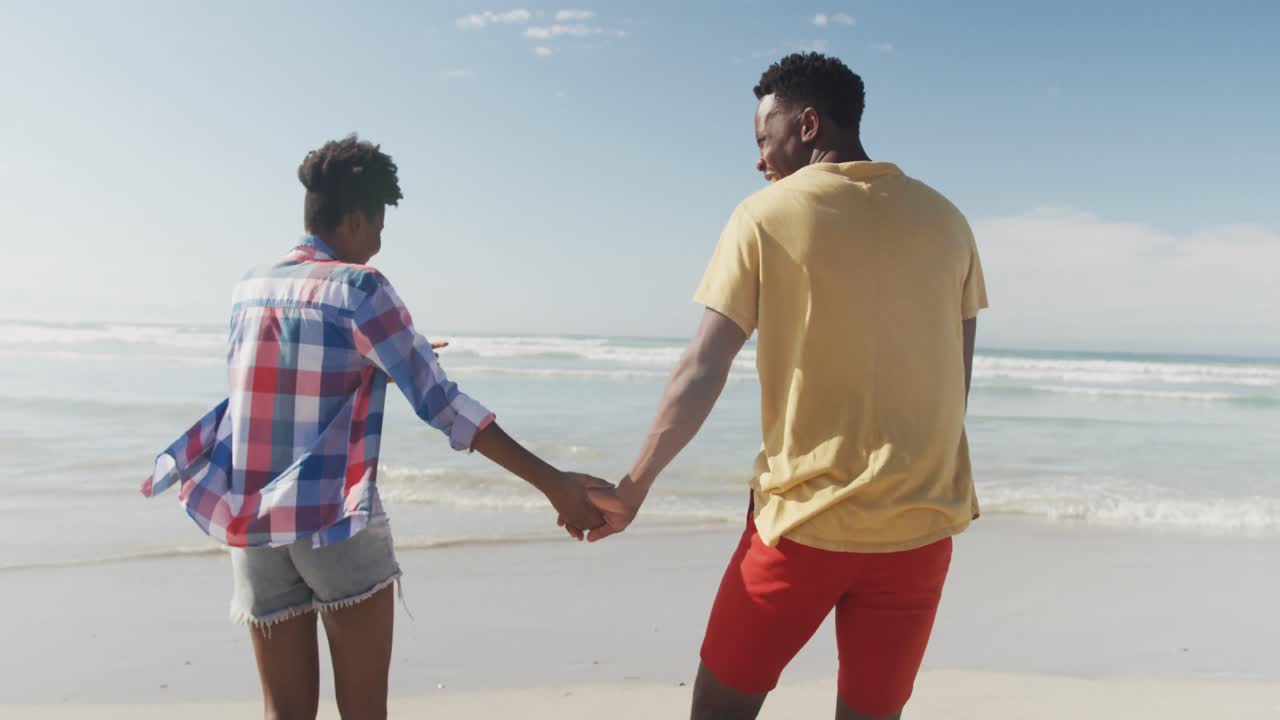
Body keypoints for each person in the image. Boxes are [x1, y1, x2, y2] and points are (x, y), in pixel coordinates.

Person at [142, 135, 607, 720]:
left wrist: (391, 355)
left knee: (283, 715)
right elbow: (441, 403)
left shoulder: (249, 286)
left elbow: (279, 383)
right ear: (357, 218)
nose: (380, 243)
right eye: (379, 226)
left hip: (254, 525)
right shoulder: (361, 287)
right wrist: (553, 481)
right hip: (334, 523)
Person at [586, 53, 989, 720]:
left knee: (717, 712)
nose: (758, 159)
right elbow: (958, 375)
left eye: (762, 138)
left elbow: (701, 368)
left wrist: (634, 487)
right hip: (919, 535)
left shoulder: (765, 215)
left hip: (802, 531)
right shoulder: (948, 221)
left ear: (807, 124)